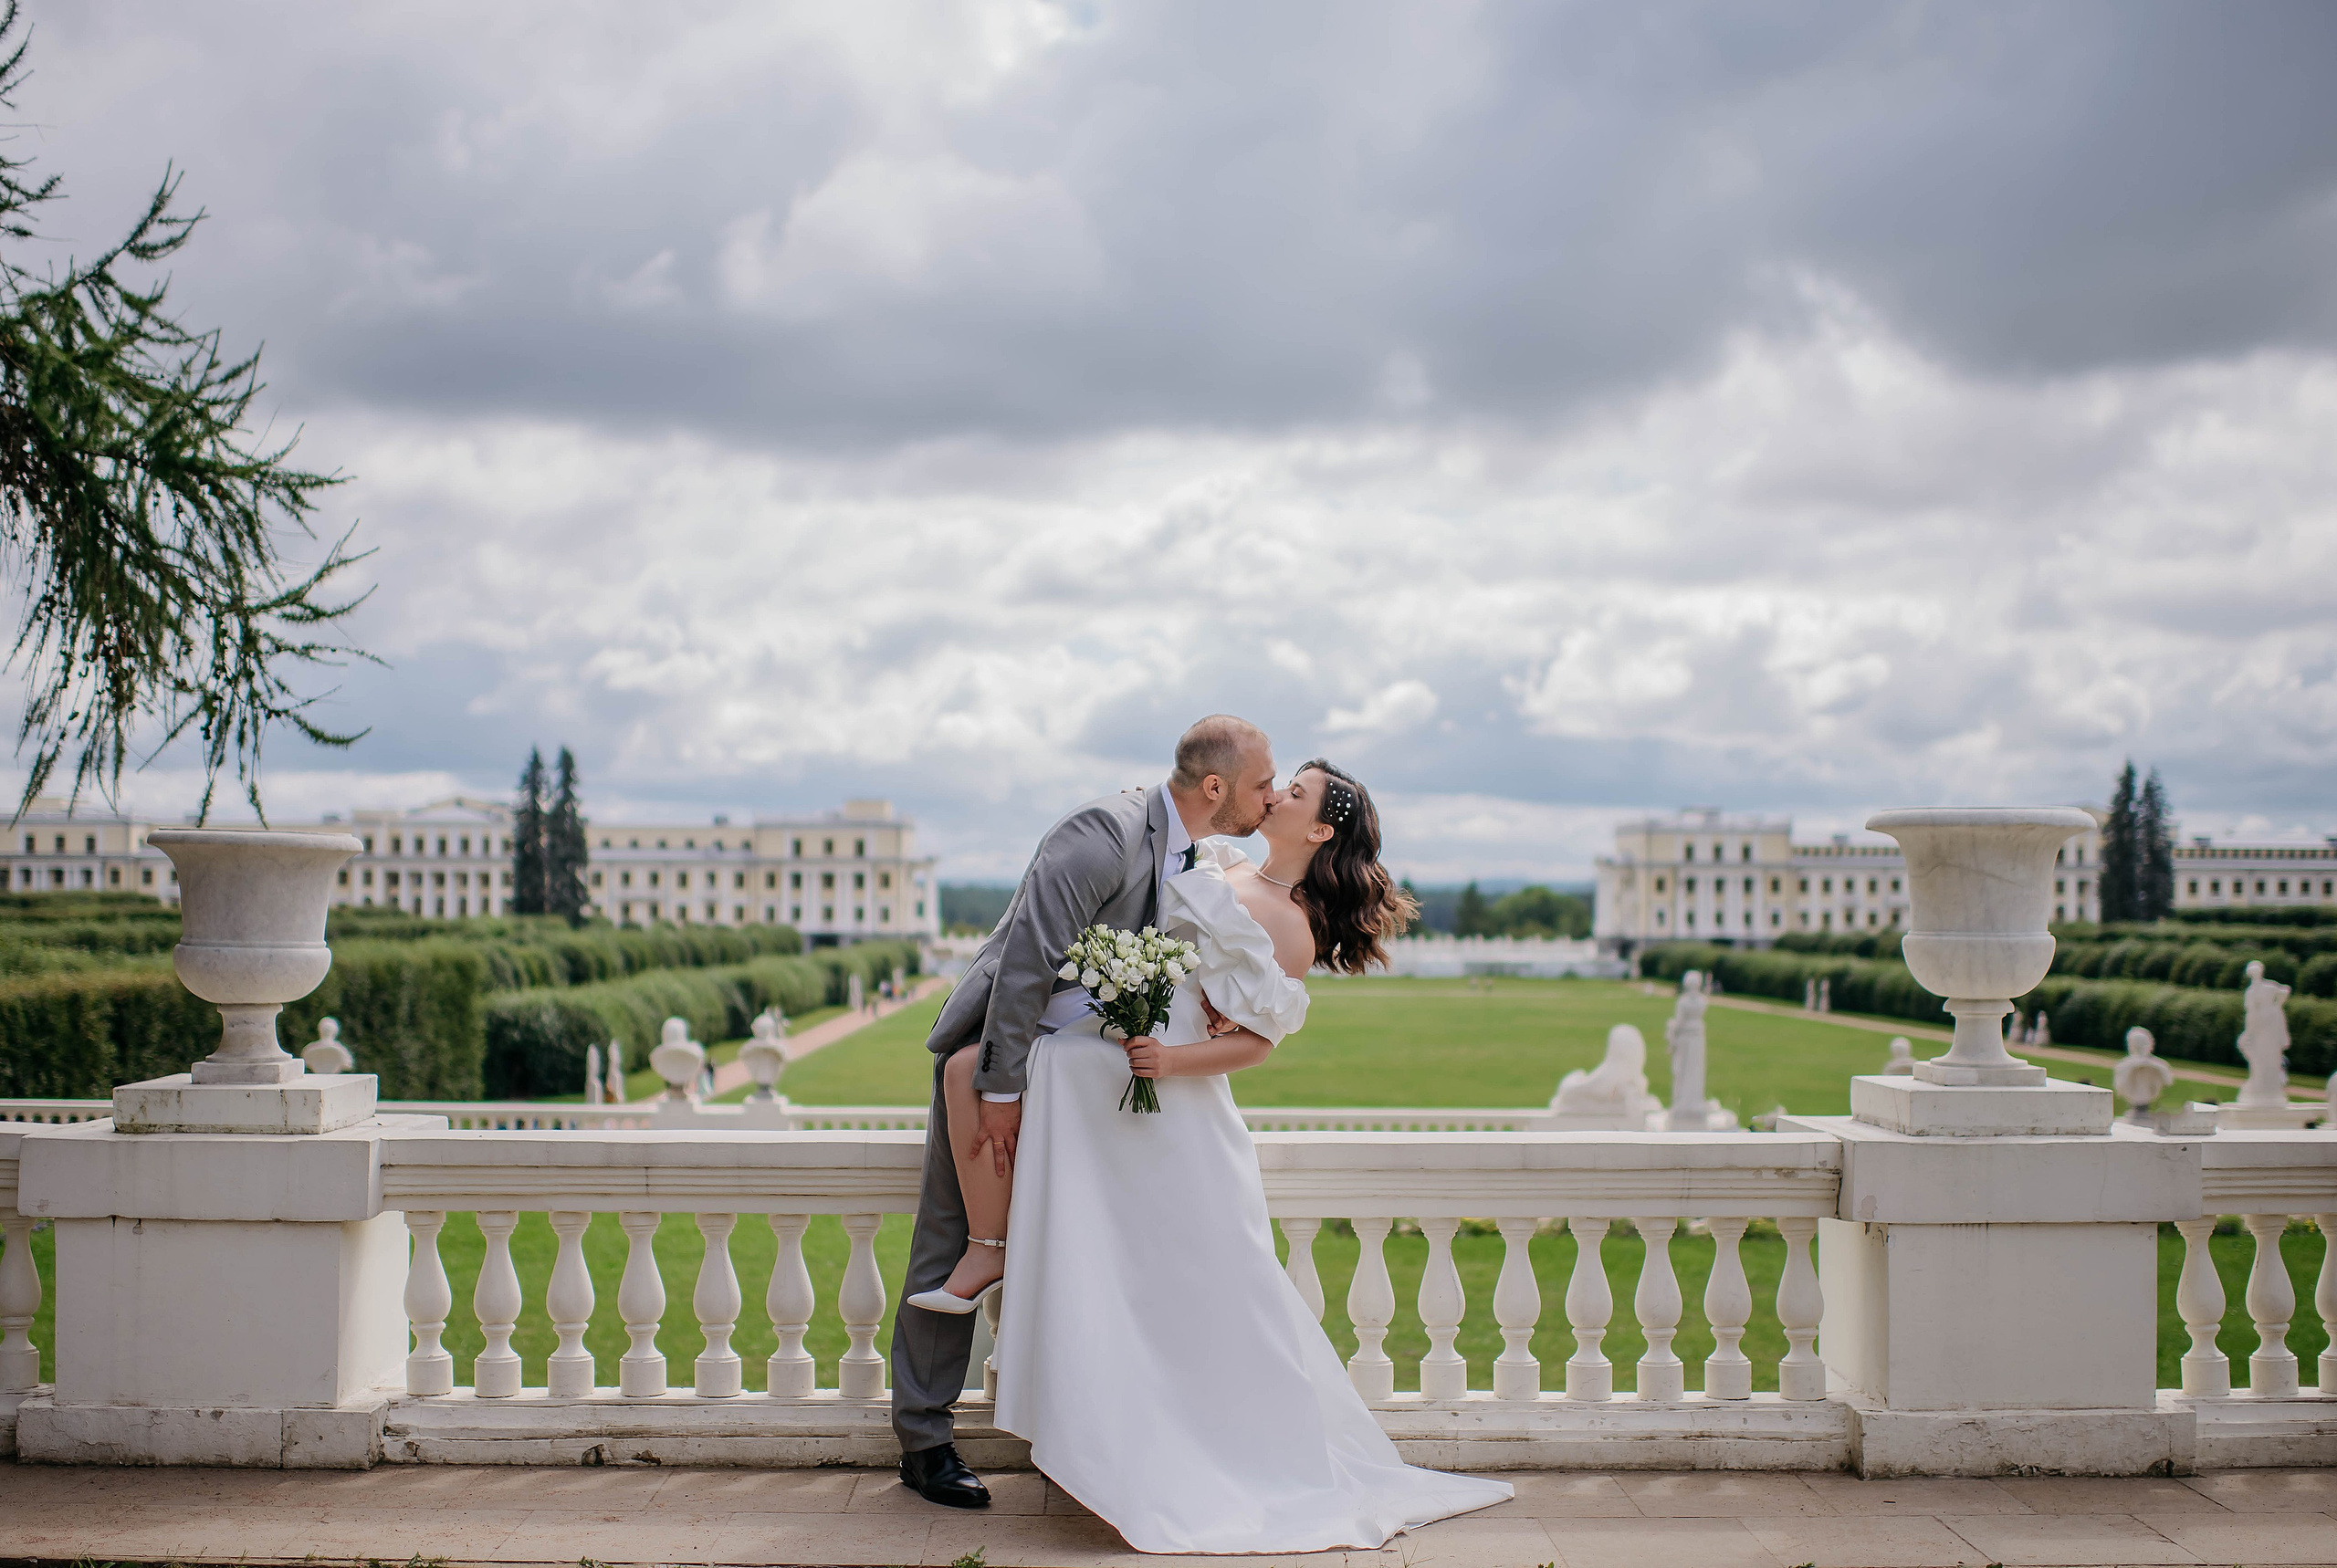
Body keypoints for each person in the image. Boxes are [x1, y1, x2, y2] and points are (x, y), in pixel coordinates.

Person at [990, 757, 1513, 1552]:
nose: (1274, 796)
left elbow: (1256, 1044)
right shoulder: (1224, 864)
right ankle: (1107, 1434)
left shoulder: (1291, 924)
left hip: (1174, 1112)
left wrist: (1168, 1062)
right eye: (1277, 784)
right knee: (1108, 1270)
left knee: (1195, 1292)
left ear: (1320, 829)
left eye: (1293, 794)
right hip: (1108, 1088)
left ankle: (1205, 1455)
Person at [888, 714, 1281, 1509]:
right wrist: (999, 1091)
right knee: (952, 1238)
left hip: (1091, 1076)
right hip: (1006, 1057)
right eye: (1263, 784)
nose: (1270, 799)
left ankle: (1097, 1437)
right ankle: (924, 1444)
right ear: (1215, 787)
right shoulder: (1103, 832)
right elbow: (1028, 960)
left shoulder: (1191, 850)